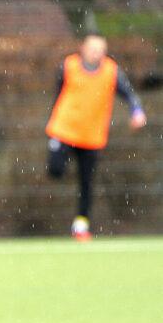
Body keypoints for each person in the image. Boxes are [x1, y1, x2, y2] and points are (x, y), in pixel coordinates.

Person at [45, 33, 147, 242]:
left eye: (101, 49)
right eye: (93, 48)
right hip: (64, 130)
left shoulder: (111, 70)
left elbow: (129, 94)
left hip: (92, 136)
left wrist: (136, 111)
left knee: (87, 182)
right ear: (83, 48)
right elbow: (57, 94)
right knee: (55, 170)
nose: (96, 53)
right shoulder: (69, 66)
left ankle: (81, 225)